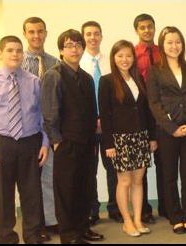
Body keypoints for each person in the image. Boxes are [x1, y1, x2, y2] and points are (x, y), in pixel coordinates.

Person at [0, 35, 49, 244]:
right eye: (10, 50)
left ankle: (33, 236)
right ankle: (6, 239)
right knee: (1, 197)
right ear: (1, 53)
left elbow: (43, 115)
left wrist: (44, 143)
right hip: (0, 144)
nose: (15, 54)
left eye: (18, 50)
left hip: (30, 143)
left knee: (32, 195)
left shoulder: (34, 82)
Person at [41, 29, 103, 244]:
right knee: (66, 191)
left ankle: (83, 228)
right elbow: (49, 113)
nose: (74, 49)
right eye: (69, 45)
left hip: (87, 142)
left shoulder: (86, 78)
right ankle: (69, 235)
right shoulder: (54, 75)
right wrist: (56, 141)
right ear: (61, 50)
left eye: (78, 45)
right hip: (65, 143)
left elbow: (91, 111)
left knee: (85, 187)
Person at [147, 26, 186, 234]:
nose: (174, 46)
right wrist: (172, 128)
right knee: (169, 175)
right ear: (163, 46)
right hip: (167, 131)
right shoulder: (155, 70)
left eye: (178, 41)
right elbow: (153, 103)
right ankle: (175, 217)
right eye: (170, 42)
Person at [99, 40, 157, 237]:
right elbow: (105, 115)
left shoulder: (139, 78)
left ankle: (138, 219)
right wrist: (108, 144)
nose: (124, 59)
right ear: (114, 58)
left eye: (128, 56)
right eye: (120, 56)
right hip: (120, 139)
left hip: (140, 136)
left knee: (139, 180)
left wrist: (151, 137)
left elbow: (147, 110)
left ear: (134, 58)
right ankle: (127, 221)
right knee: (124, 181)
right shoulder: (106, 81)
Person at [80, 20, 122, 225]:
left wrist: (106, 120)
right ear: (83, 37)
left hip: (109, 125)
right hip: (86, 126)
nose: (93, 37)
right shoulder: (78, 62)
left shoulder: (110, 62)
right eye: (88, 34)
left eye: (96, 33)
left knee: (113, 168)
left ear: (102, 36)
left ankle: (115, 208)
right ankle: (92, 209)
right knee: (89, 169)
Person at [21, 16, 59, 240]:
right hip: (28, 130)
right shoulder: (19, 62)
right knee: (29, 181)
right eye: (31, 32)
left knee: (49, 176)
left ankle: (51, 220)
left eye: (40, 31)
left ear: (46, 33)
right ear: (25, 34)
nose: (36, 36)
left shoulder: (55, 62)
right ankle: (35, 226)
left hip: (50, 130)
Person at [133, 13, 162, 222]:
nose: (146, 31)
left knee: (164, 162)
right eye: (142, 27)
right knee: (141, 163)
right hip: (141, 111)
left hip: (161, 110)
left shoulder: (162, 51)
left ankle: (167, 207)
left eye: (150, 27)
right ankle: (143, 210)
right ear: (137, 30)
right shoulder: (132, 54)